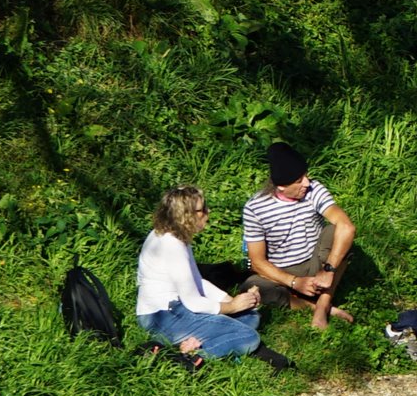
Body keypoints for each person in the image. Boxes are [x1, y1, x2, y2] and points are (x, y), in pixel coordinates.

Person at [136, 186, 287, 368]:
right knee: (248, 336)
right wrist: (231, 307)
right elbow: (194, 302)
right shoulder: (171, 246)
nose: (208, 212)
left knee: (250, 315)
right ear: (185, 215)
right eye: (202, 209)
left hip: (177, 310)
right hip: (163, 316)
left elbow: (197, 282)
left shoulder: (178, 237)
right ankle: (180, 358)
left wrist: (232, 301)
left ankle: (189, 342)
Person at [241, 141, 356, 330]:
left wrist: (329, 270)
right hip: (284, 271)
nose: (306, 183)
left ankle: (324, 303)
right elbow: (257, 262)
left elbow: (346, 226)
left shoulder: (314, 190)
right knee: (251, 286)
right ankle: (310, 307)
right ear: (281, 186)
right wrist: (294, 282)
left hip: (316, 262)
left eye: (305, 176)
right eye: (298, 180)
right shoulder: (255, 208)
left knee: (339, 233)